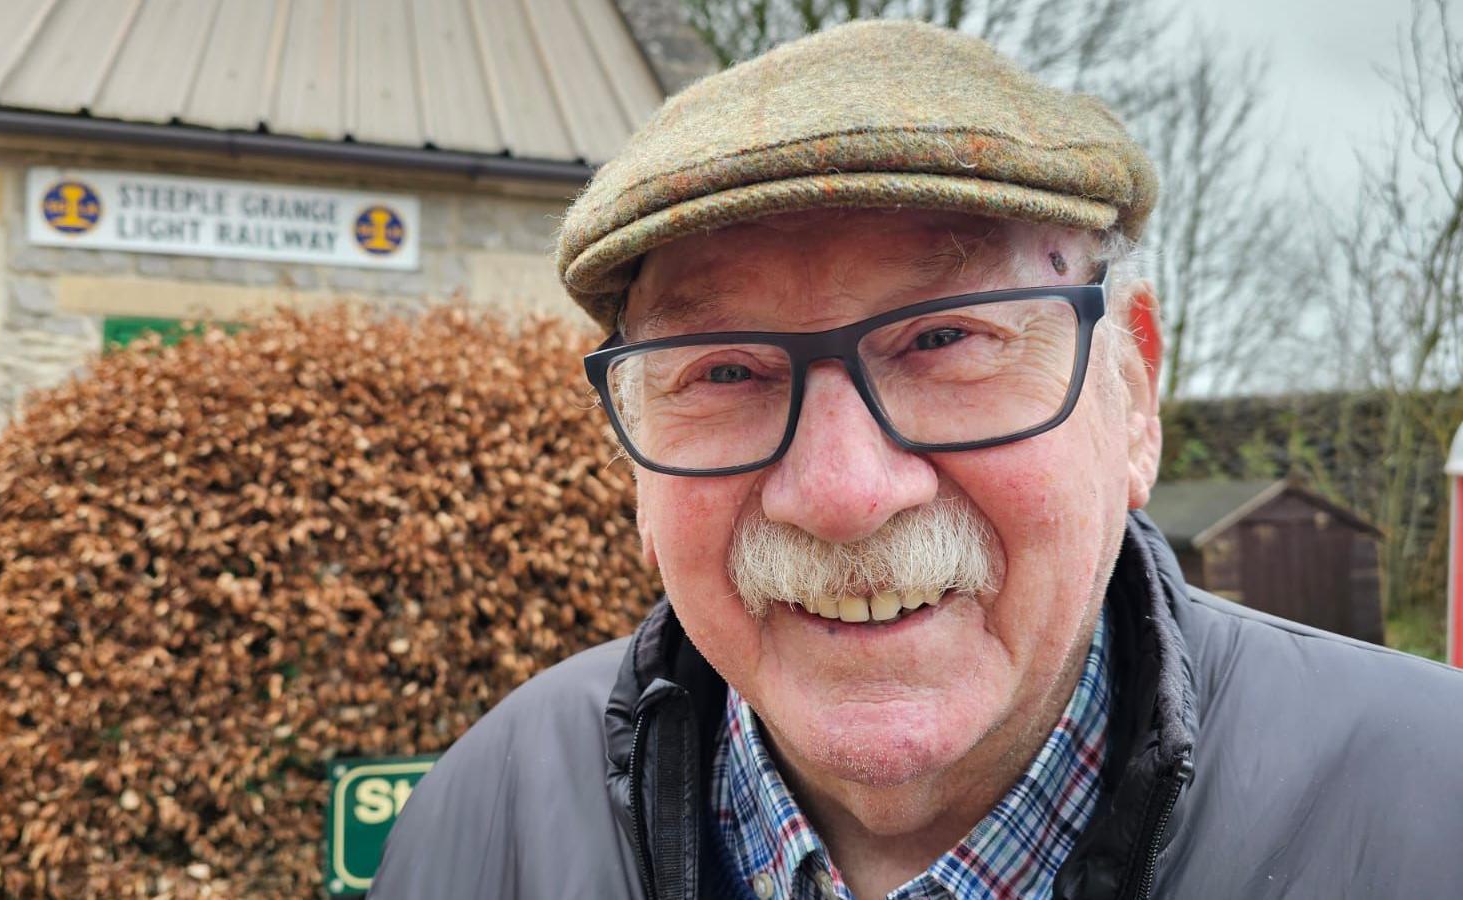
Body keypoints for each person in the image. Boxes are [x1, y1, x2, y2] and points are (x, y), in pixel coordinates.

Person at [371, 20, 1463, 900]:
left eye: (946, 341)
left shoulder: (1433, 804)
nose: (842, 494)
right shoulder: (487, 817)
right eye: (722, 372)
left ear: (1129, 391)